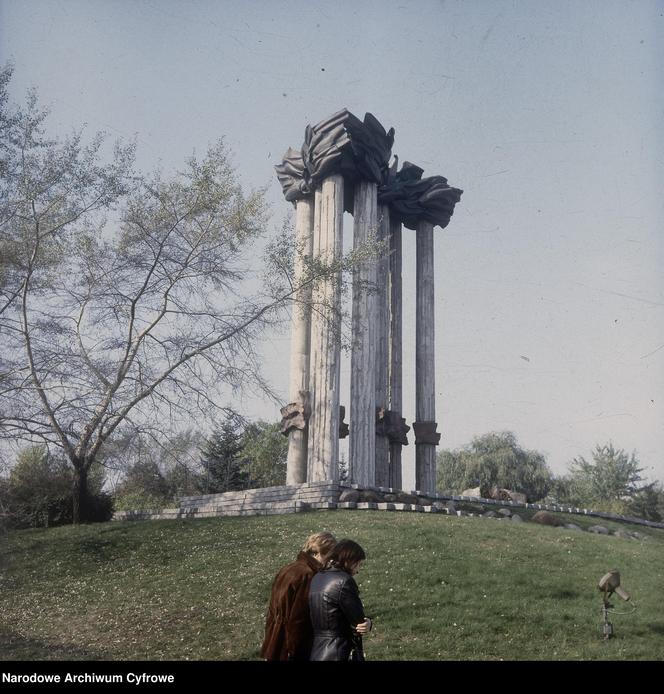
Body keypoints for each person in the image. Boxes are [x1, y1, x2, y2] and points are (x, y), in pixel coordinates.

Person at [261, 531, 337, 661]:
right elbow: (298, 618)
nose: (331, 561)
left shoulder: (289, 568)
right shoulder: (307, 575)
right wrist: (295, 650)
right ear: (317, 553)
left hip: (276, 638)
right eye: (329, 556)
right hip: (290, 645)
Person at [308, 539, 372, 661]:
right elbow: (358, 622)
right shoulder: (344, 581)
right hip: (338, 650)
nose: (358, 570)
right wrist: (368, 622)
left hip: (317, 649)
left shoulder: (318, 577)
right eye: (359, 564)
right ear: (349, 560)